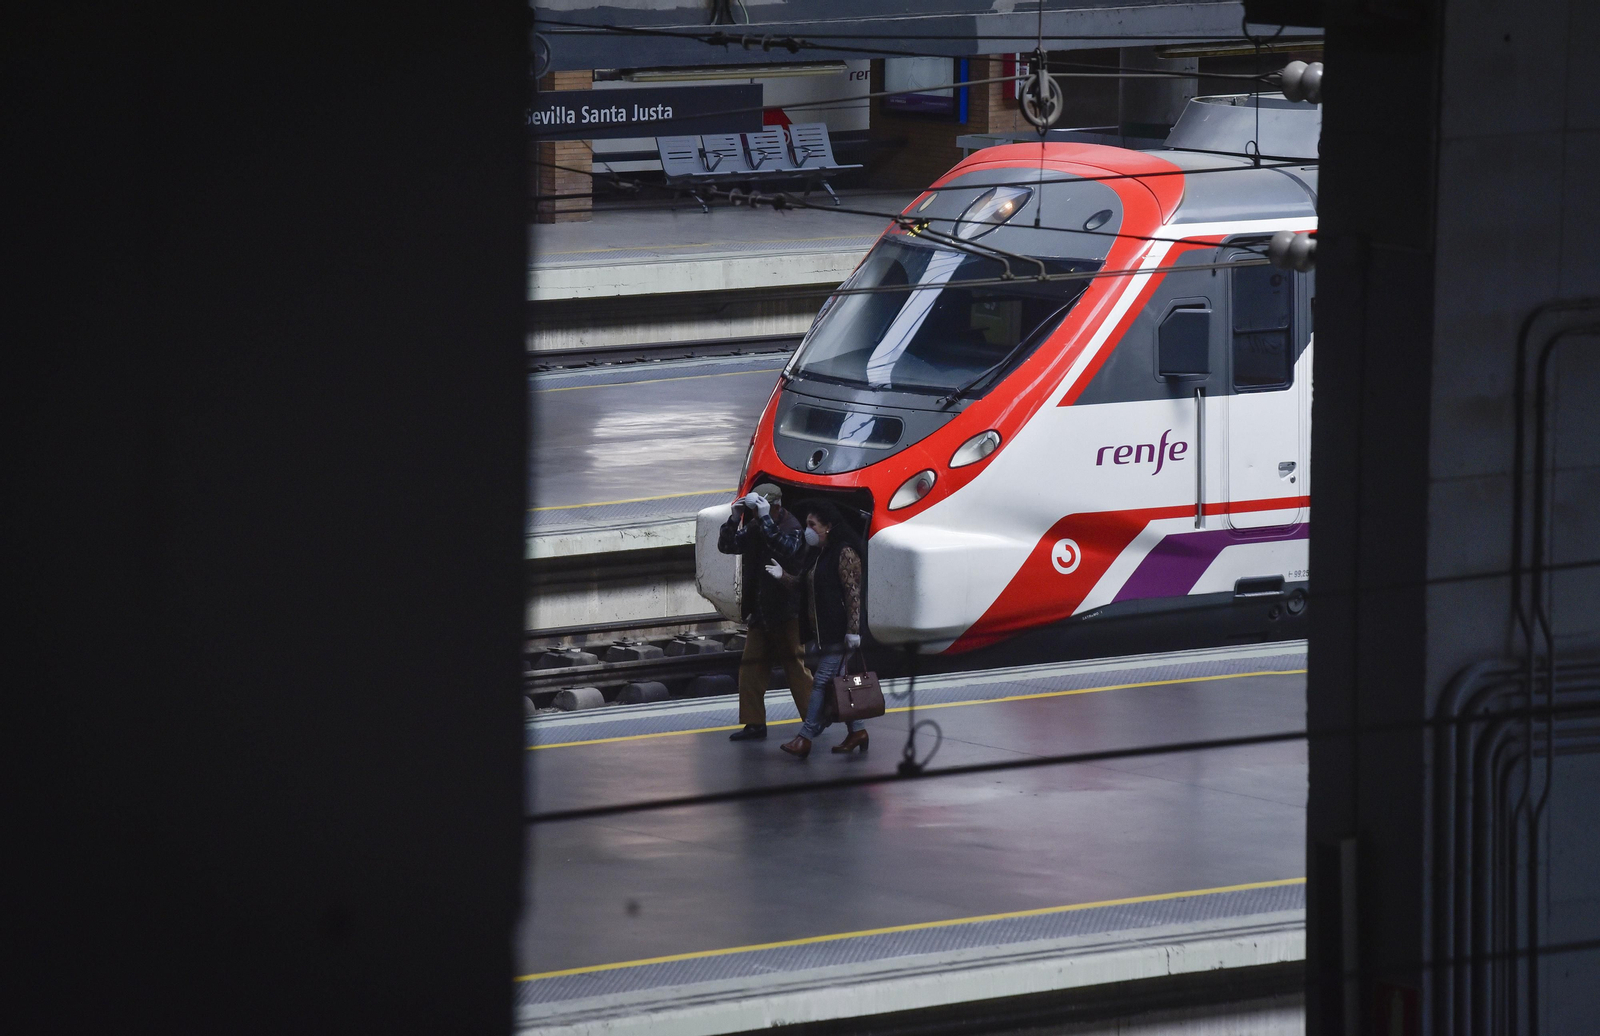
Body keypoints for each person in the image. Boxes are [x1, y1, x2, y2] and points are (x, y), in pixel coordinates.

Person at [716, 482, 811, 741]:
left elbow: (787, 550)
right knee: (750, 670)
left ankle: (815, 719)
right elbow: (728, 546)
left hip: (787, 612)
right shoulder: (759, 525)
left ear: (775, 506)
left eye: (758, 510)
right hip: (761, 611)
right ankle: (754, 723)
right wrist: (733, 520)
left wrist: (765, 518)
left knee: (796, 670)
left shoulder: (792, 527)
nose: (755, 516)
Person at [780, 500, 868, 759]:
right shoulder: (820, 554)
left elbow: (853, 595)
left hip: (841, 634)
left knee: (821, 683)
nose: (807, 529)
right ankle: (858, 731)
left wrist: (853, 632)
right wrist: (781, 576)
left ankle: (805, 737)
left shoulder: (844, 553)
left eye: (812, 525)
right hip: (826, 632)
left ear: (828, 526)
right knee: (839, 685)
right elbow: (803, 586)